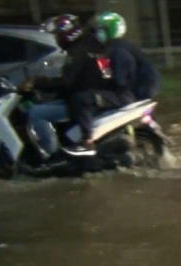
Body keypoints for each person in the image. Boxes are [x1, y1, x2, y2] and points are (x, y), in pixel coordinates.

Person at [22, 14, 126, 157]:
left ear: (67, 34)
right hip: (95, 96)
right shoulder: (90, 46)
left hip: (86, 101)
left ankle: (50, 155)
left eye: (57, 35)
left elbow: (66, 82)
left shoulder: (77, 52)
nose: (56, 39)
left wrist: (37, 83)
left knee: (36, 113)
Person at [90, 12, 159, 101]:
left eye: (99, 30)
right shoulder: (109, 49)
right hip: (131, 92)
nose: (96, 34)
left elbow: (118, 80)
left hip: (131, 94)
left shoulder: (118, 50)